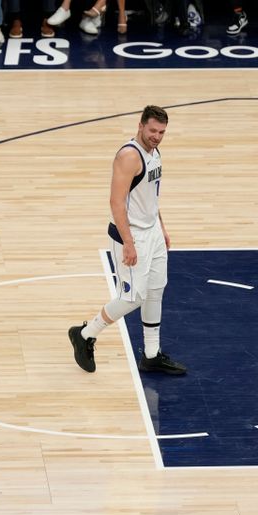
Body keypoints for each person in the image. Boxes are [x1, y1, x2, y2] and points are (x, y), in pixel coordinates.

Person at [68, 105, 187, 376]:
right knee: (132, 298)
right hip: (131, 235)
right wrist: (129, 242)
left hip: (152, 232)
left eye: (162, 132)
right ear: (141, 126)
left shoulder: (154, 152)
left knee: (156, 289)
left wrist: (162, 227)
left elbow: (150, 196)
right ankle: (85, 334)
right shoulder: (129, 156)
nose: (157, 136)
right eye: (153, 130)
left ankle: (151, 354)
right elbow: (116, 202)